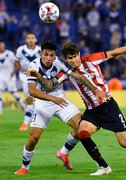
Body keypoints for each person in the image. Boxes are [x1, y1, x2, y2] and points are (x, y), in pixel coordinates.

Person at [32, 34, 126, 176]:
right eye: (69, 58)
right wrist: (37, 75)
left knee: (124, 143)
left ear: (79, 54)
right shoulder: (67, 73)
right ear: (66, 59)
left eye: (75, 56)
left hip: (108, 107)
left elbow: (114, 52)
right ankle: (103, 166)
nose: (73, 60)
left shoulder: (91, 60)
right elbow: (50, 85)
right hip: (92, 111)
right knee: (82, 133)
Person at [14, 41, 102, 175]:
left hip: (61, 100)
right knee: (33, 139)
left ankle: (63, 153)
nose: (49, 58)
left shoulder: (60, 62)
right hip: (43, 103)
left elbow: (78, 76)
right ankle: (24, 167)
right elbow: (33, 92)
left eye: (51, 55)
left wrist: (95, 89)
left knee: (81, 129)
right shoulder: (34, 65)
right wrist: (53, 99)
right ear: (41, 54)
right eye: (46, 54)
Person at [15, 32, 41, 131]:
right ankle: (27, 122)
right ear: (26, 40)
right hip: (25, 77)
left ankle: (29, 122)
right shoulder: (20, 50)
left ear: (35, 40)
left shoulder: (40, 50)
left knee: (35, 99)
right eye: (29, 38)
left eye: (32, 38)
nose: (30, 40)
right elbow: (16, 61)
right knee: (30, 99)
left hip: (37, 76)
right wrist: (19, 68)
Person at [0, 41, 25, 114]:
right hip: (1, 75)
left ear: (4, 45)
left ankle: (23, 105)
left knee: (13, 92)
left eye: (1, 45)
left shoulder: (9, 53)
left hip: (9, 75)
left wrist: (14, 71)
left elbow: (16, 63)